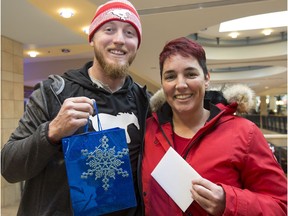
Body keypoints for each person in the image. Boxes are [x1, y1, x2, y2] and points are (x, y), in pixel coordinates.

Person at [1, 0, 150, 215]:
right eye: (109, 30)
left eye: (129, 33)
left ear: (137, 43)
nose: (119, 40)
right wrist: (51, 132)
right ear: (92, 37)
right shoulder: (52, 93)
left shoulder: (145, 103)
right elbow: (9, 167)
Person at [141, 37, 287, 215]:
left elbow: (281, 205)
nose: (180, 85)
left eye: (190, 74)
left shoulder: (244, 133)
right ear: (163, 84)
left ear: (207, 78)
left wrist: (229, 202)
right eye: (170, 76)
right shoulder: (148, 131)